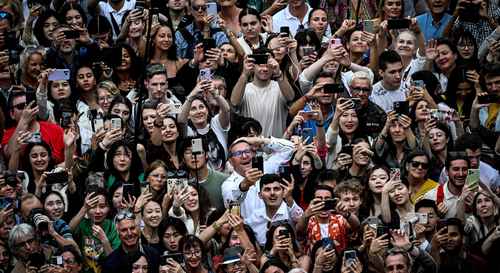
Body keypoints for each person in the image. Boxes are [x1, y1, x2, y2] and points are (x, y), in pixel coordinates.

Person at [230, 55, 295, 137]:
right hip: (251, 146)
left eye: (268, 65)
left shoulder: (281, 87)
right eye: (260, 65)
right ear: (253, 66)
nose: (265, 69)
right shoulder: (244, 88)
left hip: (276, 146)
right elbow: (234, 103)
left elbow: (290, 98)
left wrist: (278, 73)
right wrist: (244, 74)